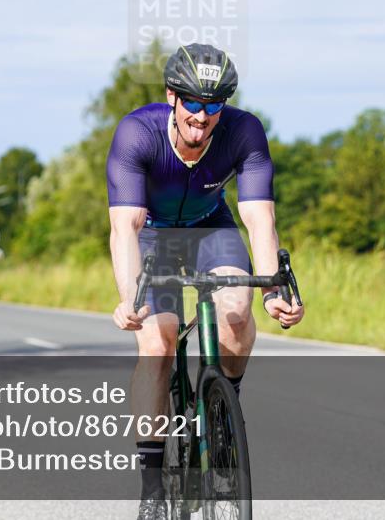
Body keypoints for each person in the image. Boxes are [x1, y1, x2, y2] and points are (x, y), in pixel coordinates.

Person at [106, 44, 305, 519]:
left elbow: (259, 219)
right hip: (153, 236)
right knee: (158, 344)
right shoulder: (138, 133)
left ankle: (221, 415)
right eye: (192, 102)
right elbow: (125, 226)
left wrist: (274, 289)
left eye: (213, 104)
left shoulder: (244, 132)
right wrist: (129, 299)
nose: (201, 115)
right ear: (171, 97)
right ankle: (153, 487)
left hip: (211, 230)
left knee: (237, 314)